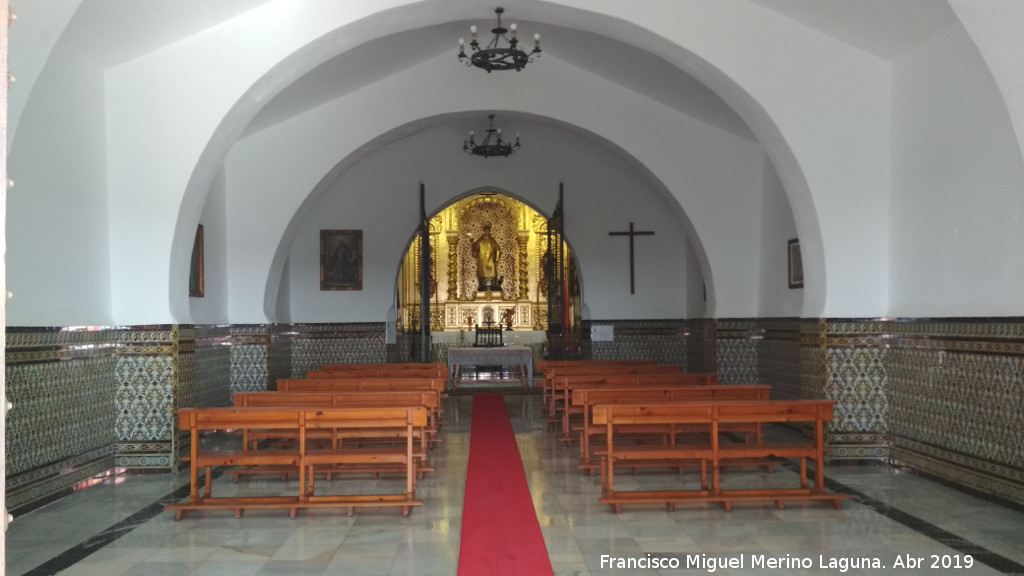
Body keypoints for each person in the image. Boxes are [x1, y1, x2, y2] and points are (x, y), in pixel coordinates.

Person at [468, 221, 501, 292]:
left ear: (489, 232)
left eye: (488, 231)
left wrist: (496, 260)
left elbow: (498, 249)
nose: (487, 232)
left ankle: (493, 285)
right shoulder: (480, 240)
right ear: (484, 231)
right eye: (485, 231)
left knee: (492, 275)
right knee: (482, 274)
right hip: (482, 263)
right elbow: (475, 249)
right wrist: (473, 243)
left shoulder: (492, 241)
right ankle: (483, 286)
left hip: (491, 263)